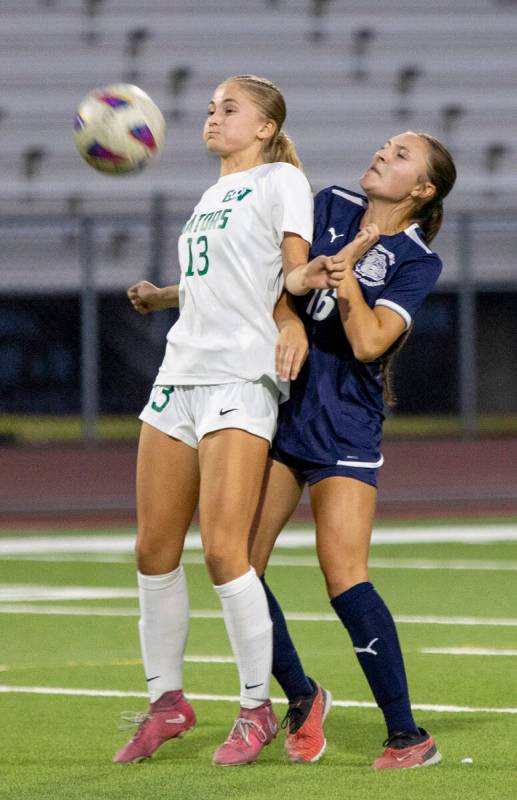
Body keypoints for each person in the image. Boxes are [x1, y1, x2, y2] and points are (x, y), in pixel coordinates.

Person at [112, 73, 374, 768]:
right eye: (209, 108)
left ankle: (259, 706)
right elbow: (226, 280)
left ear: (263, 127)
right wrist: (166, 296)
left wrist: (308, 280)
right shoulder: (210, 194)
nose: (212, 117)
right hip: (178, 375)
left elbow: (285, 274)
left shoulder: (279, 179)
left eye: (229, 109)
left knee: (227, 552)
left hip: (239, 379)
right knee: (151, 550)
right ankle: (167, 700)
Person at [248, 131, 457, 768]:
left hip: (344, 426)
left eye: (399, 156)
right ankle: (303, 696)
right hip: (281, 412)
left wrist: (349, 274)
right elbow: (280, 283)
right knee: (237, 567)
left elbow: (368, 343)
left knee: (345, 578)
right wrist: (288, 320)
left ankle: (407, 735)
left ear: (421, 190)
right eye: (384, 147)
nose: (379, 155)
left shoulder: (417, 260)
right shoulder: (329, 202)